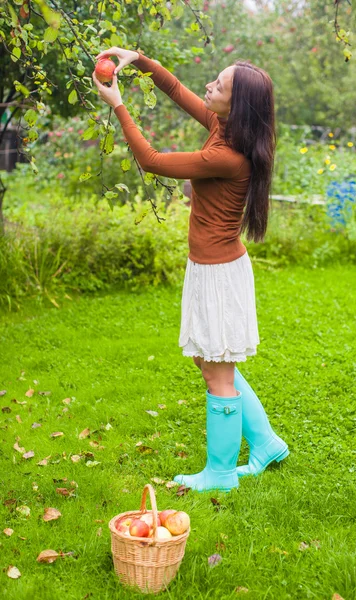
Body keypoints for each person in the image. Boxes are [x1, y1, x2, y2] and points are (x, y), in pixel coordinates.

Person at [92, 47, 289, 492]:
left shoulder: (228, 156)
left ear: (235, 105)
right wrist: (138, 59)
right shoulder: (226, 130)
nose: (208, 88)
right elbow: (179, 91)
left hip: (218, 275)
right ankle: (266, 443)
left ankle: (220, 474)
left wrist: (118, 104)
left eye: (217, 87)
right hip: (212, 268)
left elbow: (153, 161)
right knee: (213, 361)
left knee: (216, 369)